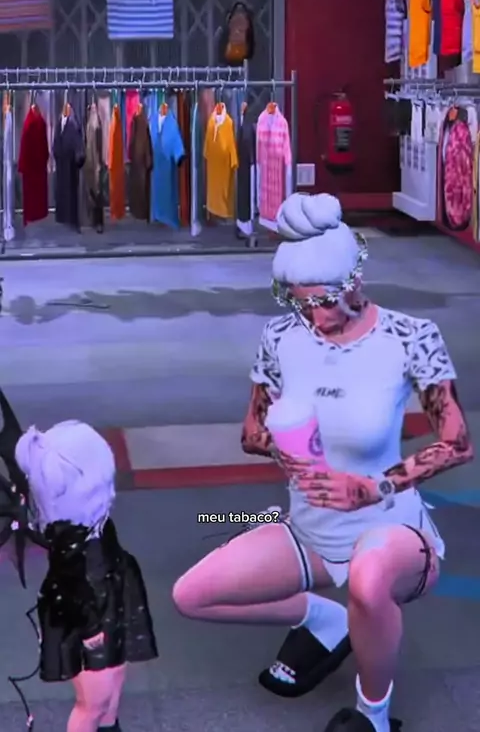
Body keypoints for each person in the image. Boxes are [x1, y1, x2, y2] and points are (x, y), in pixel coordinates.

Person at [172, 193, 473, 732]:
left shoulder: (410, 336)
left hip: (389, 527)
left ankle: (373, 715)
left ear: (354, 281)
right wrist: (292, 454)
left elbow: (456, 442)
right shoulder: (280, 337)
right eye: (300, 303)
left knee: (368, 578)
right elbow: (252, 432)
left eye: (325, 301)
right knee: (192, 595)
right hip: (310, 529)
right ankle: (325, 617)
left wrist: (375, 486)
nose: (314, 315)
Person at [15, 420, 158, 732]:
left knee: (113, 680)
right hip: (90, 616)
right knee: (94, 702)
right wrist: (91, 633)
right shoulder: (71, 542)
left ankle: (109, 726)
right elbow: (70, 591)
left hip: (109, 597)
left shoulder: (87, 525)